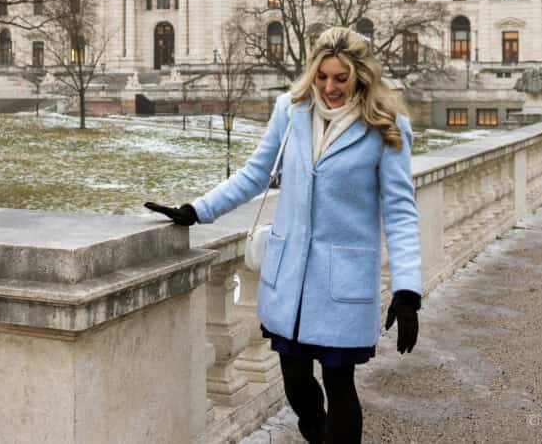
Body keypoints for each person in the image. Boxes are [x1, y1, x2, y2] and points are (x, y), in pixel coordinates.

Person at [146, 26, 422, 444]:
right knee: (296, 385)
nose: (329, 87)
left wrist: (407, 292)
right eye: (323, 77)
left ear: (360, 76)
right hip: (289, 279)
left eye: (340, 78)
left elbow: (400, 212)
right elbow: (255, 174)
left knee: (339, 383)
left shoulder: (386, 127)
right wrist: (197, 210)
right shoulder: (290, 111)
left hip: (341, 281)